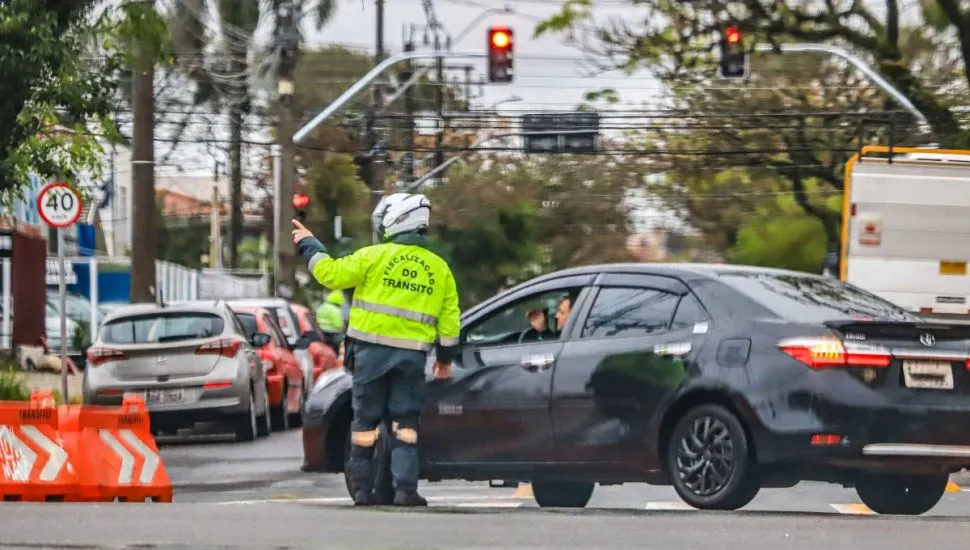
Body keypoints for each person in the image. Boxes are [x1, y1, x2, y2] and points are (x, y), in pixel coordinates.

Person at [291, 192, 461, 507]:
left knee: (365, 424)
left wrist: (310, 244)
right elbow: (450, 323)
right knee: (405, 425)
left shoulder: (373, 256)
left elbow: (330, 274)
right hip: (412, 358)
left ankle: (362, 491)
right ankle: (405, 491)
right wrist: (446, 360)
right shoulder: (439, 269)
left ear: (394, 221)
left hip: (369, 355)